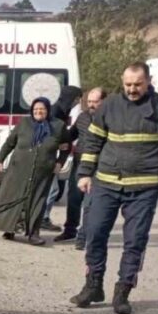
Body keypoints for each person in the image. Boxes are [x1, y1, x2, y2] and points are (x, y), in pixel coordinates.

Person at [71, 62, 158, 314]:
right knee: (94, 233)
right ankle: (93, 285)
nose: (132, 89)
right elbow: (93, 140)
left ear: (148, 81)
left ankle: (123, 291)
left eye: (137, 84)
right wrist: (85, 173)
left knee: (135, 240)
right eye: (128, 84)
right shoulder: (109, 105)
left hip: (144, 187)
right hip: (106, 182)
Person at [0, 97, 66, 245]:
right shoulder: (24, 123)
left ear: (48, 110)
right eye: (35, 109)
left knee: (38, 201)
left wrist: (60, 162)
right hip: (18, 168)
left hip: (43, 171)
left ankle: (33, 234)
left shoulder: (58, 126)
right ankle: (9, 229)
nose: (38, 112)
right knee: (13, 198)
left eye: (42, 109)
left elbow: (66, 147)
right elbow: (9, 143)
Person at [54, 88, 107, 247]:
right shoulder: (83, 116)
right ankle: (70, 230)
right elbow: (71, 135)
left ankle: (84, 236)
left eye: (95, 102)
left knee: (90, 203)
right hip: (80, 162)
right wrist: (56, 141)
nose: (91, 105)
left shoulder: (111, 118)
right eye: (89, 101)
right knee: (74, 198)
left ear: (104, 101)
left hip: (99, 165)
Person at [40, 86, 84, 231]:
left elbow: (66, 135)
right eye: (76, 99)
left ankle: (39, 217)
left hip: (51, 156)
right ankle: (42, 218)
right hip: (44, 157)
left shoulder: (62, 111)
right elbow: (45, 135)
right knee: (52, 190)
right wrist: (59, 145)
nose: (77, 102)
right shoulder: (55, 112)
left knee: (49, 189)